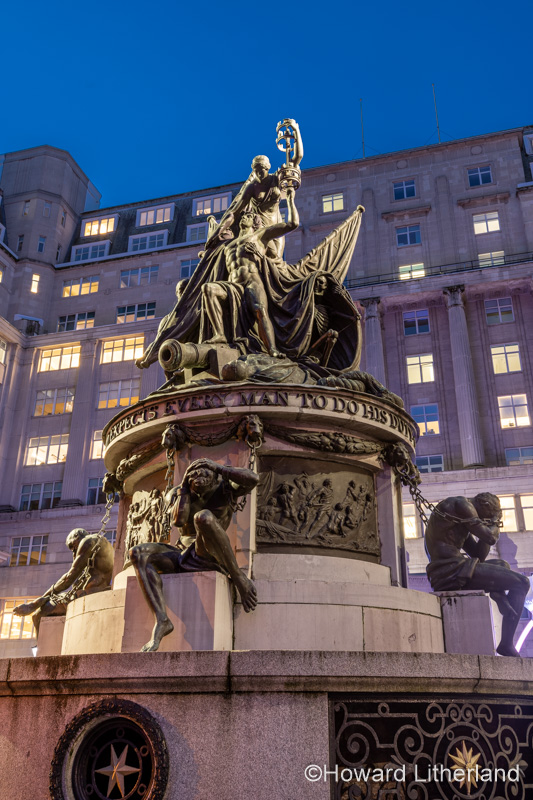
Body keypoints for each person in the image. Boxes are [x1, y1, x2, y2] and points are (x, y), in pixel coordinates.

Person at [130, 458, 259, 652]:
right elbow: (179, 521)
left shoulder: (225, 487)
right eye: (193, 474)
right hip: (182, 551)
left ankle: (238, 576)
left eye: (203, 473)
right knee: (137, 553)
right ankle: (162, 620)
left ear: (214, 475)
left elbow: (253, 479)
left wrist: (220, 468)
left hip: (209, 553)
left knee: (203, 517)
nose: (198, 477)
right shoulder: (180, 492)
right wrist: (183, 487)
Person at [425, 492, 530, 657]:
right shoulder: (461, 505)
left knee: (502, 565)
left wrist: (488, 529)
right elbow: (490, 537)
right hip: (448, 570)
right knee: (522, 582)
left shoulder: (460, 521)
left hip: (455, 567)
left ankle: (498, 594)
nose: (484, 521)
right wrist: (494, 522)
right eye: (486, 516)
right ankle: (506, 644)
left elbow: (478, 555)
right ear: (484, 505)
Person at [200, 186, 299, 356]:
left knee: (260, 310)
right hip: (233, 285)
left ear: (254, 221)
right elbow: (213, 262)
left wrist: (290, 200)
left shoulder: (260, 235)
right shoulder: (228, 246)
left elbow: (292, 224)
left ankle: (272, 349)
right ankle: (220, 334)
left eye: (248, 216)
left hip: (252, 280)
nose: (244, 217)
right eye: (243, 216)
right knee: (208, 289)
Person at [205, 118, 303, 259]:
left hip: (275, 223)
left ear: (267, 168)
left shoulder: (276, 179)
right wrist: (219, 230)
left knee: (276, 260)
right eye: (256, 170)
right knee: (265, 257)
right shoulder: (252, 187)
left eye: (261, 170)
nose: (258, 174)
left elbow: (297, 157)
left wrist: (296, 130)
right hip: (259, 226)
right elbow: (234, 212)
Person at [13, 528, 114, 636]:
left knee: (38, 614)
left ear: (77, 536)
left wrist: (34, 605)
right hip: (96, 589)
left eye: (72, 546)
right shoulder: (102, 545)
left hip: (91, 593)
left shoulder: (88, 541)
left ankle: (43, 651)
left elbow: (68, 578)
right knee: (49, 604)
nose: (74, 550)